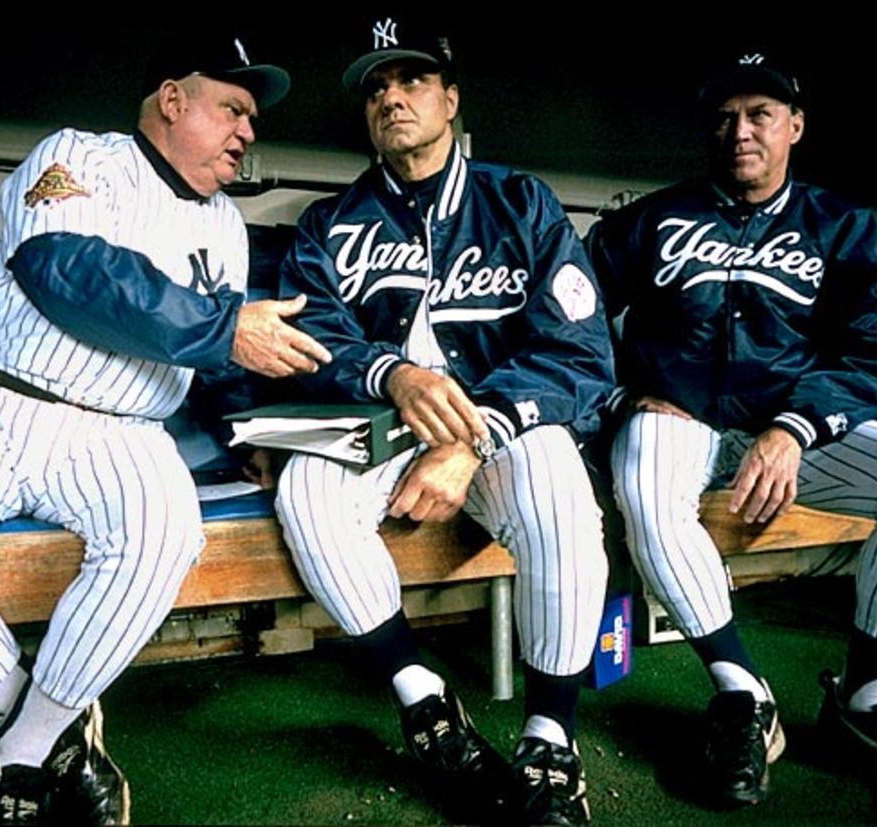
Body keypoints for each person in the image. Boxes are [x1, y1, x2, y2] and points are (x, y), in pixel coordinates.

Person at [0, 33, 330, 825]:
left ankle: (18, 753)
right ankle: (54, 726)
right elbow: (67, 269)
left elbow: (218, 358)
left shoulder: (226, 223)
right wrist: (224, 328)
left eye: (251, 116)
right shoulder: (80, 157)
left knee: (163, 534)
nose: (248, 132)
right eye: (232, 108)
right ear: (172, 100)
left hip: (123, 431)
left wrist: (247, 433)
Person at [587, 51, 877, 821]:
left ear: (795, 127)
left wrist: (797, 424)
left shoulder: (844, 228)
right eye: (725, 117)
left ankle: (866, 704)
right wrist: (623, 400)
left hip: (798, 431)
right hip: (682, 424)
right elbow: (569, 325)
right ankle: (744, 697)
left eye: (760, 115)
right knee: (642, 478)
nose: (739, 131)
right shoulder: (648, 222)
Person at [272, 16, 617, 826]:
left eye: (412, 80)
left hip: (497, 425)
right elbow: (311, 335)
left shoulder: (520, 203)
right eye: (376, 88)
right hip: (383, 425)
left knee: (561, 488)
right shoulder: (332, 223)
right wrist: (388, 371)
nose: (392, 97)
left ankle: (550, 742)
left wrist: (474, 435)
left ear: (451, 100)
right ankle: (425, 700)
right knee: (305, 492)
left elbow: (579, 351)